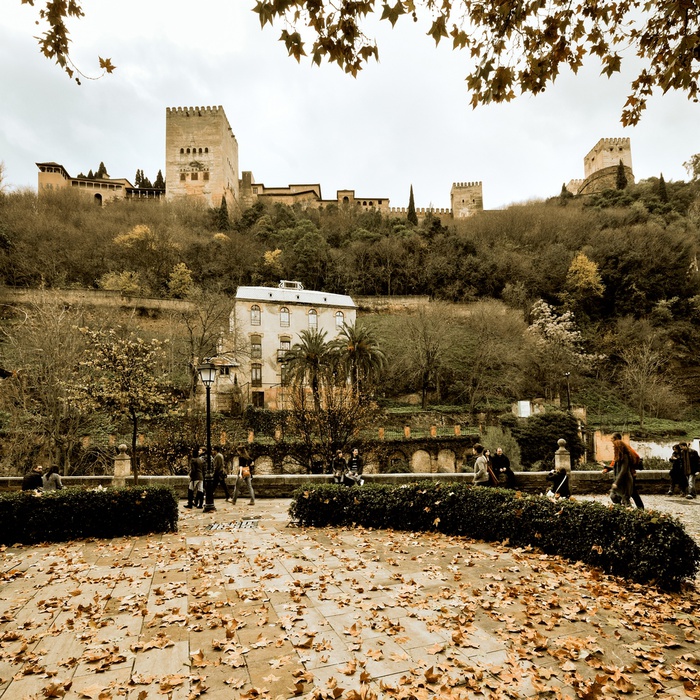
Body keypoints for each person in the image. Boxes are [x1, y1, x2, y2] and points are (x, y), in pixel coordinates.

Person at [604, 432, 644, 509]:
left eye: (612, 439)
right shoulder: (619, 453)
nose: (611, 441)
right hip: (623, 477)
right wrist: (607, 468)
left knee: (628, 495)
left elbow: (624, 469)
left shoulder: (624, 453)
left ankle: (639, 510)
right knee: (625, 495)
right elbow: (616, 465)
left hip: (627, 476)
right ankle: (636, 509)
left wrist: (616, 482)